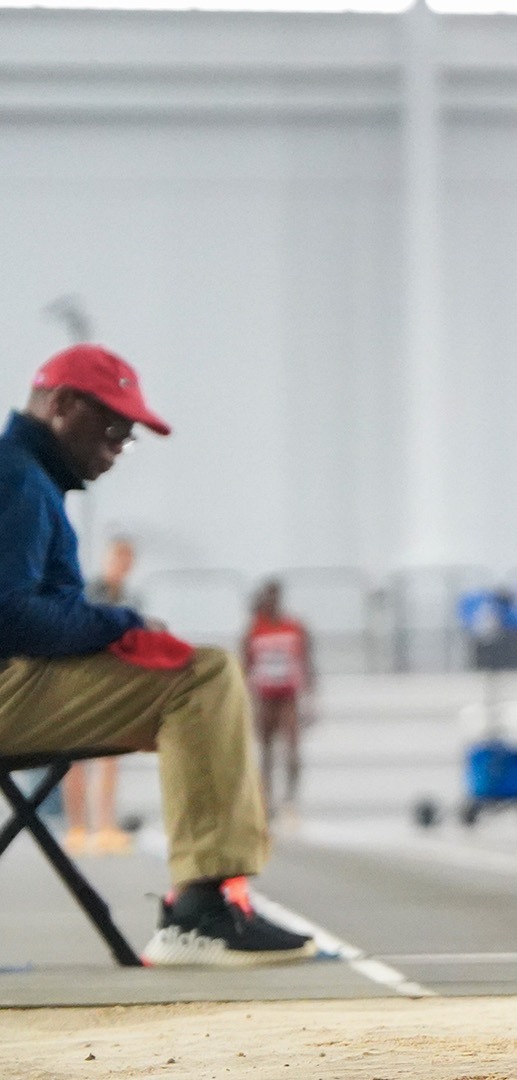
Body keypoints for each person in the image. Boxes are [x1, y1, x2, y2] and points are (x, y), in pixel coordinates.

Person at [0, 343, 314, 964]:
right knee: (201, 677)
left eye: (129, 438)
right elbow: (8, 616)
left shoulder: (24, 477)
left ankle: (205, 901)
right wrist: (122, 624)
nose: (119, 448)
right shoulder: (17, 480)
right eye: (113, 430)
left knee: (187, 678)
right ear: (62, 405)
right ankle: (203, 912)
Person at [62, 534, 141, 855]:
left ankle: (105, 825)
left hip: (114, 683)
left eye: (127, 559)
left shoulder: (131, 597)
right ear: (108, 559)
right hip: (83, 680)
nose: (122, 565)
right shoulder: (88, 593)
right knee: (75, 759)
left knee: (109, 757)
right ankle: (77, 826)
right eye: (118, 558)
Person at [241, 578, 314, 819]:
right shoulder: (253, 630)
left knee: (292, 749)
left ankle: (290, 798)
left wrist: (311, 700)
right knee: (266, 751)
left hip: (288, 696)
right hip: (265, 697)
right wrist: (248, 704)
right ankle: (267, 800)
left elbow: (308, 663)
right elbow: (245, 668)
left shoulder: (295, 627)